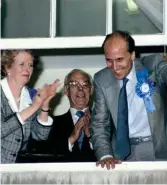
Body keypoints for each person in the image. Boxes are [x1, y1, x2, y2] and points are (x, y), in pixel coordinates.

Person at [90, 30, 167, 169]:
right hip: (122, 154)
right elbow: (99, 124)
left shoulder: (153, 65)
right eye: (109, 60)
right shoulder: (101, 79)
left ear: (132, 55)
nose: (114, 67)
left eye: (119, 59)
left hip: (158, 149)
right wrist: (105, 156)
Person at [1, 50, 60, 163]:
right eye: (22, 64)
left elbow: (40, 135)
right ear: (8, 68)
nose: (27, 69)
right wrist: (33, 107)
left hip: (16, 169)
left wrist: (44, 105)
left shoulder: (31, 95)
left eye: (30, 65)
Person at [47, 69, 96, 162]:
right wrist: (71, 139)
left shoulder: (104, 121)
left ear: (91, 90)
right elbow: (50, 156)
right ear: (66, 90)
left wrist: (91, 137)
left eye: (85, 85)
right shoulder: (53, 123)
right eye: (74, 84)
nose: (80, 89)